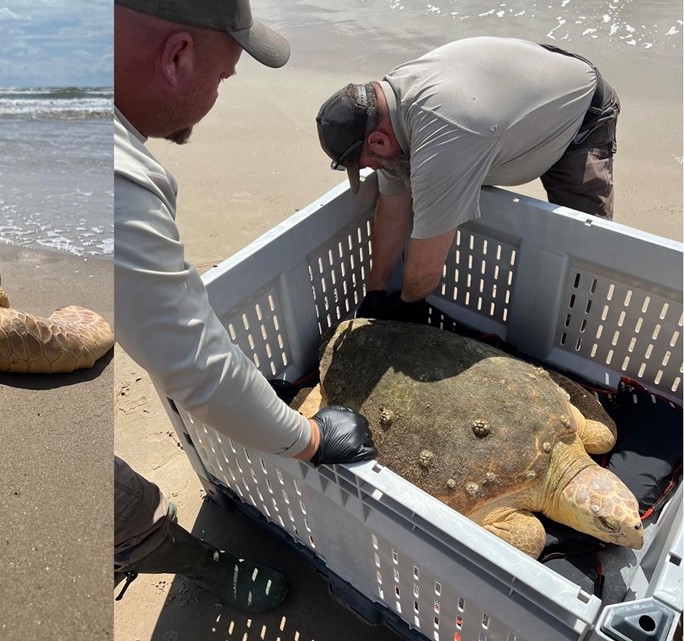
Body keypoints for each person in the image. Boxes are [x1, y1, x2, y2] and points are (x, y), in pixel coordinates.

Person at [113, 0, 378, 613]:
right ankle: (172, 549)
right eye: (224, 76)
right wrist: (306, 438)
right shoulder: (118, 178)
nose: (218, 94)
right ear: (177, 56)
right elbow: (196, 366)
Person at [315, 37, 620, 322]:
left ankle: (575, 330)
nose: (372, 169)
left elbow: (426, 267)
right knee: (442, 174)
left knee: (584, 247)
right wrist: (375, 291)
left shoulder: (443, 136)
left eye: (365, 164)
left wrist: (408, 304)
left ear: (379, 142)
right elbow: (393, 210)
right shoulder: (387, 109)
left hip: (578, 110)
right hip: (503, 100)